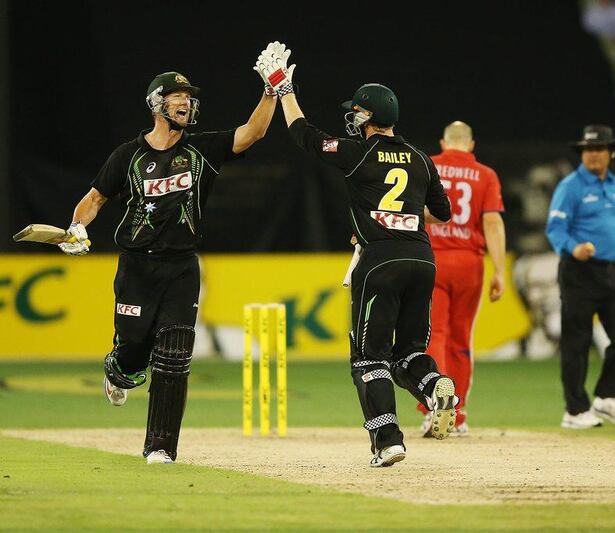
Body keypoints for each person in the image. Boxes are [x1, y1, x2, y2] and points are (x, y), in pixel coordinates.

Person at [58, 47, 278, 464]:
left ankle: (161, 447)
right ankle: (118, 369)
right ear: (157, 104)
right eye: (177, 96)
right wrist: (77, 228)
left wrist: (271, 92)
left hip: (181, 267)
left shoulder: (201, 151)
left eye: (188, 97)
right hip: (137, 268)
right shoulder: (128, 156)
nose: (185, 102)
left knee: (176, 354)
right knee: (134, 350)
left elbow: (252, 133)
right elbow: (94, 198)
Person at [257, 42, 457, 467]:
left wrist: (284, 89)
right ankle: (434, 383)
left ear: (366, 116)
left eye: (357, 112)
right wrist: (401, 215)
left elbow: (303, 135)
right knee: (408, 354)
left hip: (379, 260)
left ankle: (388, 441)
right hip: (422, 258)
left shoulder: (358, 153)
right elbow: (442, 214)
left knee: (369, 357)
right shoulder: (421, 159)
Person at [415, 121, 506, 436]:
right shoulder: (486, 175)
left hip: (432, 258)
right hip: (469, 263)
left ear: (443, 142)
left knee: (434, 334)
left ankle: (434, 406)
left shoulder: (427, 164)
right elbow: (492, 223)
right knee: (460, 337)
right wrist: (499, 270)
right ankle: (459, 411)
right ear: (471, 145)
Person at [545, 125, 615, 429]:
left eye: (598, 149)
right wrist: (574, 249)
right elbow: (555, 229)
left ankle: (606, 396)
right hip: (578, 272)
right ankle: (574, 410)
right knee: (577, 342)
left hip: (612, 273)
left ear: (611, 153)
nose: (592, 154)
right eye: (587, 149)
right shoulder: (570, 186)